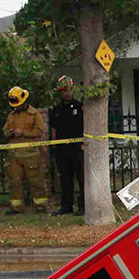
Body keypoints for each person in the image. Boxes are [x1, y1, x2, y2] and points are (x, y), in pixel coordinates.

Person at [4, 86, 49, 214]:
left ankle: (40, 206)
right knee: (15, 182)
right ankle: (16, 207)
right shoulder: (11, 116)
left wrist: (23, 132)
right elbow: (5, 131)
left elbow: (40, 131)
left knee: (36, 181)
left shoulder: (34, 114)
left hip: (30, 154)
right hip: (14, 154)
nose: (15, 107)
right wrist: (10, 133)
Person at [48, 75, 84, 216]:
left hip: (77, 148)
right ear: (60, 92)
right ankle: (66, 206)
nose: (67, 93)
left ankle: (82, 206)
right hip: (62, 149)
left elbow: (84, 126)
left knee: (81, 178)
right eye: (64, 91)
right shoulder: (56, 110)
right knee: (65, 178)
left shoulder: (79, 107)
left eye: (69, 90)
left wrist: (83, 144)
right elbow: (54, 129)